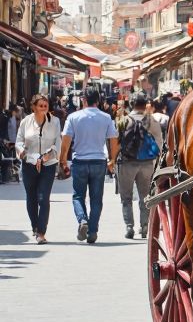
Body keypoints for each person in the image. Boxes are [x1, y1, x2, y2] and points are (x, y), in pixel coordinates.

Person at [59, 86, 119, 244]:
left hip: (79, 161)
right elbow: (114, 139)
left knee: (78, 196)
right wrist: (112, 159)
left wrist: (63, 159)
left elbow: (66, 140)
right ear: (98, 101)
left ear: (83, 100)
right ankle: (93, 230)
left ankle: (82, 221)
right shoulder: (106, 118)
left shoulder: (73, 117)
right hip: (99, 161)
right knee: (96, 199)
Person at [114, 92, 164, 239]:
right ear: (145, 105)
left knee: (126, 197)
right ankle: (144, 227)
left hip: (126, 163)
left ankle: (129, 226)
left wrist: (112, 160)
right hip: (147, 164)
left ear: (131, 105)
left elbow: (116, 143)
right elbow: (159, 143)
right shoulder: (151, 121)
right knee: (145, 196)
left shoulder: (123, 120)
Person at [15, 94, 61, 244]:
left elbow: (57, 143)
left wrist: (48, 155)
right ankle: (35, 227)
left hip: (48, 164)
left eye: (45, 106)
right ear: (33, 107)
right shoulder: (25, 122)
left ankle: (41, 232)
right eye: (40, 106)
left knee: (43, 198)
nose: (43, 108)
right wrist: (22, 152)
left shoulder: (54, 122)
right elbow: (19, 141)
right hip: (29, 163)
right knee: (32, 198)